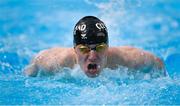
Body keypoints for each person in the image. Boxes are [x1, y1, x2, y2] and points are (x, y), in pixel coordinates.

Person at [24, 16, 167, 78]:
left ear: (108, 47)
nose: (92, 56)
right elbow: (33, 65)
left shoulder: (127, 60)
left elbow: (157, 63)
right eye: (84, 49)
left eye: (99, 47)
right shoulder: (55, 63)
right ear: (74, 49)